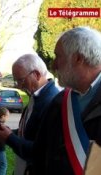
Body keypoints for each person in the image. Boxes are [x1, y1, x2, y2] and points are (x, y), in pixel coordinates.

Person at [31, 26, 101, 175]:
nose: (53, 65)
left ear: (78, 59)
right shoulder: (59, 102)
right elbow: (40, 156)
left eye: (58, 56)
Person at [0, 53, 60, 175]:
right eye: (16, 80)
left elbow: (41, 152)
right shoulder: (36, 96)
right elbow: (29, 133)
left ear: (37, 75)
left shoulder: (52, 102)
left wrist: (9, 138)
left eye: (21, 80)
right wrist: (8, 131)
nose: (18, 85)